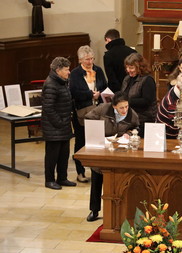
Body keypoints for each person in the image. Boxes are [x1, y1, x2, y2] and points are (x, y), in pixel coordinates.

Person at [85, 92, 139, 221]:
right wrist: (98, 133)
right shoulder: (103, 109)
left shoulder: (132, 114)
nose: (125, 110)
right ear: (114, 106)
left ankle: (120, 210)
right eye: (121, 107)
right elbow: (88, 119)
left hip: (120, 150)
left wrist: (129, 134)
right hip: (102, 147)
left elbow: (136, 128)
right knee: (97, 178)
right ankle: (94, 210)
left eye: (126, 106)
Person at [70, 45, 107, 183]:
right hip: (81, 110)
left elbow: (104, 85)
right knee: (80, 141)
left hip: (98, 110)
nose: (90, 62)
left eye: (91, 58)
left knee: (98, 140)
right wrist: (91, 95)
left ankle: (98, 170)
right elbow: (74, 92)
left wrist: (100, 93)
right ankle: (80, 172)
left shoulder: (98, 70)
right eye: (87, 59)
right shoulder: (75, 73)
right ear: (80, 60)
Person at [41, 57, 76, 190]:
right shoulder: (50, 84)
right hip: (54, 127)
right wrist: (60, 122)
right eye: (66, 70)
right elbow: (48, 108)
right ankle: (49, 180)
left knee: (63, 154)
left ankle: (62, 178)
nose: (69, 72)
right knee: (52, 156)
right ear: (58, 70)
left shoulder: (62, 82)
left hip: (64, 125)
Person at [121, 53, 157, 137]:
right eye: (127, 67)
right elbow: (123, 94)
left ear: (140, 67)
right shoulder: (127, 79)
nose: (128, 70)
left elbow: (147, 101)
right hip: (129, 117)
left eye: (131, 67)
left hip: (144, 119)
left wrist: (127, 102)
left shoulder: (147, 80)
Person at [156, 72, 182, 139]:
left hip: (177, 134)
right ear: (179, 88)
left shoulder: (180, 92)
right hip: (166, 138)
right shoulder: (171, 102)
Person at [103, 29, 137, 93]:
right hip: (133, 88)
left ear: (107, 39)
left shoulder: (108, 55)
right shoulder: (133, 52)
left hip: (117, 91)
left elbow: (111, 78)